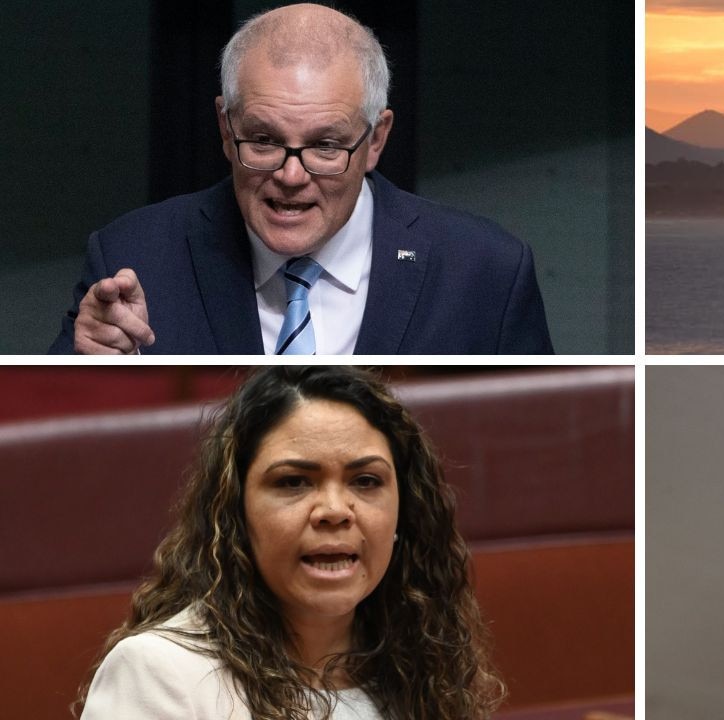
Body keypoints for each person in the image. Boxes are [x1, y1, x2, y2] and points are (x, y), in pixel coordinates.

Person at [49, 4, 553, 355]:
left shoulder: (486, 273)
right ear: (226, 130)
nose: (291, 176)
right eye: (264, 141)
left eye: (326, 146)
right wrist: (89, 366)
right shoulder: (132, 257)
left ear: (375, 140)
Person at [76, 366, 505, 719]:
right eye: (294, 482)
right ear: (235, 510)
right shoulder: (160, 673)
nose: (335, 510)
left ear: (403, 511)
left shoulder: (421, 665)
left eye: (366, 481)